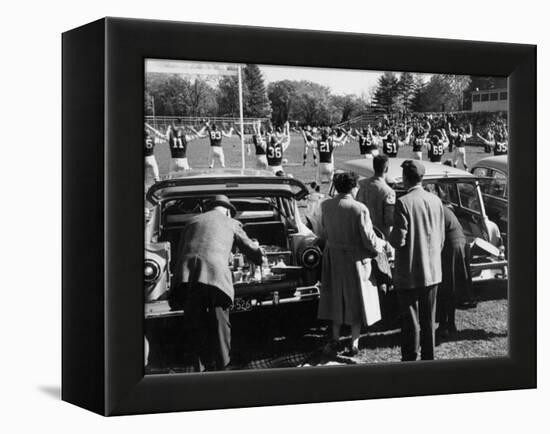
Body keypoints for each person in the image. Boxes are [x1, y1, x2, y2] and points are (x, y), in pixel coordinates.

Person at [169, 195, 264, 371]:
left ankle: (198, 370)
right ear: (227, 210)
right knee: (220, 324)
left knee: (194, 325)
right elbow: (250, 249)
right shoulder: (231, 222)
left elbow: (180, 251)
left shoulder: (192, 221)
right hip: (214, 277)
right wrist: (259, 259)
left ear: (209, 208)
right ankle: (223, 368)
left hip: (186, 277)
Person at [318, 172, 390, 356]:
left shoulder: (325, 205)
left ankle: (334, 339)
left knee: (335, 298)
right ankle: (354, 342)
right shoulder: (359, 209)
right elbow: (369, 239)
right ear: (353, 187)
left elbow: (322, 232)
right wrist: (381, 246)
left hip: (333, 258)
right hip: (354, 260)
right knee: (356, 300)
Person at [389, 160, 445, 361]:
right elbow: (441, 236)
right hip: (432, 270)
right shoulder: (436, 200)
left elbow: (398, 240)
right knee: (429, 319)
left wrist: (389, 235)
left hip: (410, 271)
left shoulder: (403, 202)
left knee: (410, 319)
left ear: (405, 178)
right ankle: (428, 357)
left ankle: (410, 357)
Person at [436, 204, 473, 339]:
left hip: (451, 245)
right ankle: (449, 324)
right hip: (458, 243)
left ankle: (444, 325)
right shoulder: (442, 207)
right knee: (450, 287)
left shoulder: (435, 207)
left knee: (445, 286)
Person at [356, 154, 395, 239]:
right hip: (381, 237)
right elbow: (389, 220)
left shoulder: (362, 186)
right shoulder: (388, 192)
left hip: (362, 234)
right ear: (386, 169)